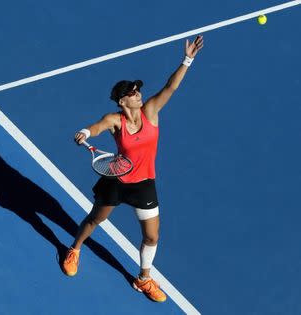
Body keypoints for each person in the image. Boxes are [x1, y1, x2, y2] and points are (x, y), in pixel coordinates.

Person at [61, 35, 204, 302]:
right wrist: (84, 131)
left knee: (152, 236)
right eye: (132, 93)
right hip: (117, 180)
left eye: (138, 91)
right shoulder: (115, 120)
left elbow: (170, 88)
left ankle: (143, 279)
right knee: (95, 220)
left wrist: (187, 60)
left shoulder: (151, 111)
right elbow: (97, 127)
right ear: (122, 102)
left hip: (144, 183)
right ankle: (74, 249)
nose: (138, 94)